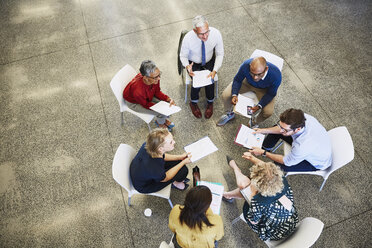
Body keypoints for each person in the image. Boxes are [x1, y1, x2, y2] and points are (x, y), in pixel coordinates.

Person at [223, 154, 298, 242]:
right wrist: (252, 158)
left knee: (245, 187)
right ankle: (229, 191)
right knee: (246, 185)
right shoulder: (282, 180)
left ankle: (235, 174)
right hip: (291, 222)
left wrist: (253, 194)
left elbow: (253, 220)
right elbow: (268, 170)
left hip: (273, 232)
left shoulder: (258, 201)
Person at [250, 108, 332, 172]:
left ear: (298, 129)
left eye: (285, 129)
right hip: (319, 146)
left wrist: (264, 153)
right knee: (277, 131)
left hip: (316, 163)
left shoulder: (302, 147)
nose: (281, 130)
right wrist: (263, 130)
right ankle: (264, 147)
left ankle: (261, 169)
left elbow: (286, 161)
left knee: (278, 165)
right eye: (281, 126)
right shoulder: (301, 118)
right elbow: (281, 129)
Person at [180, 15, 224, 119]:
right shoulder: (188, 38)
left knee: (210, 81)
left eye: (207, 32)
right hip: (193, 63)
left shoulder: (216, 34)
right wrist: (187, 66)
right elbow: (183, 56)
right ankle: (193, 102)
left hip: (209, 60)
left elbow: (220, 54)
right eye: (201, 34)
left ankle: (210, 102)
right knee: (197, 83)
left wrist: (215, 70)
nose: (205, 36)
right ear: (195, 31)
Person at [217, 56, 282, 126]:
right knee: (226, 95)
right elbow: (237, 79)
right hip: (247, 83)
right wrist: (234, 94)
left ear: (266, 69)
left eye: (259, 74)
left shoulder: (276, 75)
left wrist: (259, 106)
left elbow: (271, 93)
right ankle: (229, 114)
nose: (255, 77)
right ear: (250, 66)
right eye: (252, 73)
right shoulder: (246, 65)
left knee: (268, 112)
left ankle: (254, 122)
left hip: (264, 89)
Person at [130, 128, 191, 192]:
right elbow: (165, 178)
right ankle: (176, 183)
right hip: (146, 185)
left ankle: (177, 180)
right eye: (171, 142)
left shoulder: (149, 145)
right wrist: (183, 162)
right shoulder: (154, 168)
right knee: (183, 170)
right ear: (161, 149)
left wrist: (180, 157)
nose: (174, 142)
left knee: (179, 163)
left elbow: (162, 156)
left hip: (141, 172)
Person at [123, 60, 176, 131]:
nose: (159, 78)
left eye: (159, 74)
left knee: (166, 104)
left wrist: (168, 99)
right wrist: (160, 109)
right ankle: (160, 123)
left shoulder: (154, 78)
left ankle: (162, 119)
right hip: (135, 103)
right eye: (155, 77)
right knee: (160, 112)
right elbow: (145, 104)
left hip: (148, 95)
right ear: (145, 78)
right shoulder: (138, 90)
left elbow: (157, 92)